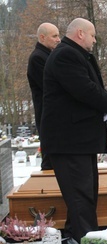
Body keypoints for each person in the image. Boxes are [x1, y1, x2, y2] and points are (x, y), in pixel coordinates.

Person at [41, 18, 107, 244]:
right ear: (80, 33)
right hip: (69, 141)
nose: (95, 40)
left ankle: (77, 236)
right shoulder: (66, 55)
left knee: (84, 193)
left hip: (76, 140)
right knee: (80, 195)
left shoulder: (71, 54)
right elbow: (85, 88)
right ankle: (88, 242)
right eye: (93, 35)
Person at [27, 22, 60, 170]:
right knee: (51, 159)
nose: (58, 39)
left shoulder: (48, 56)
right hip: (49, 117)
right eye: (54, 36)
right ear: (42, 37)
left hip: (53, 116)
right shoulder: (38, 58)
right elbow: (51, 86)